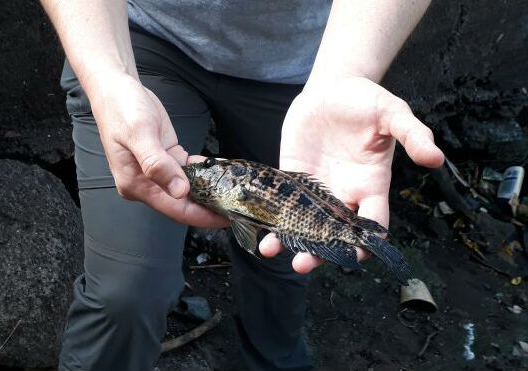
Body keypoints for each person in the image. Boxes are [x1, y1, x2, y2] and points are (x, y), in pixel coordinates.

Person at [40, 0, 445, 370]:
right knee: (126, 293)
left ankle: (277, 359)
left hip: (314, 63)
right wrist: (107, 78)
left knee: (283, 263)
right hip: (133, 43)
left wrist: (348, 74)